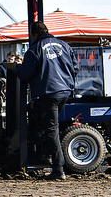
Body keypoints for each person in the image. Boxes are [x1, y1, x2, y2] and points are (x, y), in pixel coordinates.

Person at [16, 21, 78, 181]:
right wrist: (69, 84)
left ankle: (58, 168)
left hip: (48, 93)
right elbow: (76, 67)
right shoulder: (64, 45)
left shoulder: (34, 49)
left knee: (51, 129)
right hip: (64, 91)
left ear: (34, 34)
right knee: (48, 124)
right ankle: (47, 156)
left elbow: (25, 74)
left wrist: (16, 68)